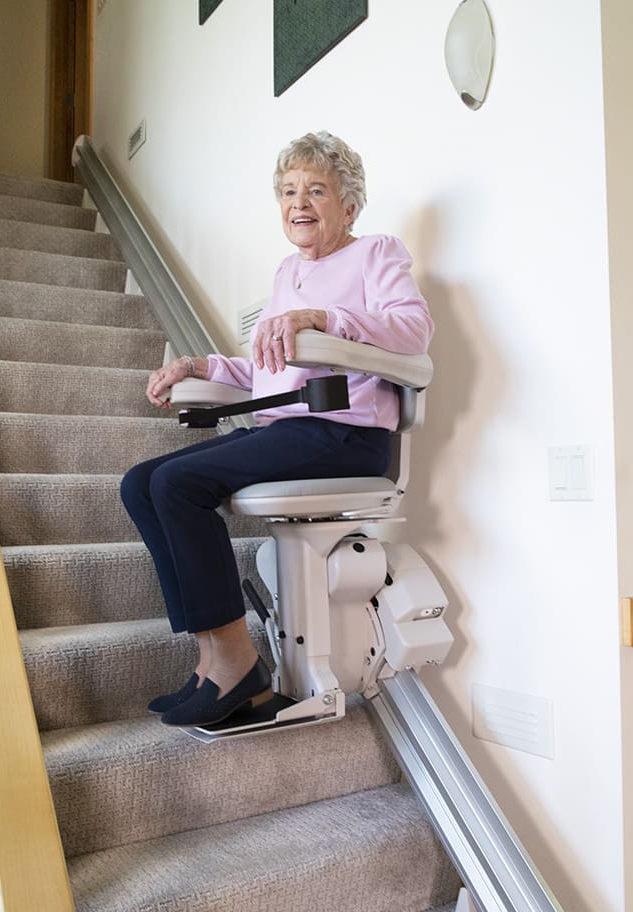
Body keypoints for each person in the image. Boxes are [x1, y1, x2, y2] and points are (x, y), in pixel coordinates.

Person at [121, 131, 434, 728]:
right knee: (141, 483)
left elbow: (413, 331)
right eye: (289, 190)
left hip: (344, 434)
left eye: (317, 189)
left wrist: (326, 317)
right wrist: (199, 366)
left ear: (349, 205)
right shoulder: (288, 271)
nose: (300, 202)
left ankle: (239, 665)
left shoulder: (376, 254)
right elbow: (265, 368)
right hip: (287, 429)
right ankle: (211, 660)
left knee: (178, 486)